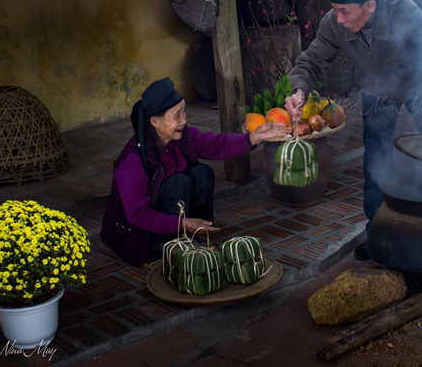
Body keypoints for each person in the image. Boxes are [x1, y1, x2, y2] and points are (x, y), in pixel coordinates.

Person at [284, 0, 422, 261]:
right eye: (335, 9)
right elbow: (311, 61)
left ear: (370, 4)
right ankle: (380, 234)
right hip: (378, 88)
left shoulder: (401, 9)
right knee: (376, 160)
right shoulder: (333, 23)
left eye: (345, 10)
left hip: (416, 83)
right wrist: (298, 89)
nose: (339, 18)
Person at [101, 77, 289, 265]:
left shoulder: (181, 137)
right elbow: (138, 215)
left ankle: (197, 239)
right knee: (179, 182)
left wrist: (254, 137)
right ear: (155, 121)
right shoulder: (132, 161)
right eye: (177, 115)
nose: (184, 120)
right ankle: (165, 250)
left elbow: (216, 145)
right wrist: (183, 223)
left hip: (172, 212)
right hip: (140, 238)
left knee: (201, 173)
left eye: (184, 112)